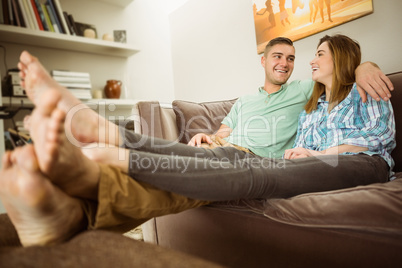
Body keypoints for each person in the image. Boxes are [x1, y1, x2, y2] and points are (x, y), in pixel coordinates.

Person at [0, 34, 394, 246]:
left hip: (276, 160)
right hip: (237, 150)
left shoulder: (310, 91)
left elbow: (372, 125)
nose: (291, 63)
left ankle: (108, 152)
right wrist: (212, 135)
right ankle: (82, 192)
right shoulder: (298, 102)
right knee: (213, 156)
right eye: (279, 57)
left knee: (239, 170)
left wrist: (364, 67)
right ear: (264, 60)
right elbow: (229, 132)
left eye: (298, 58)